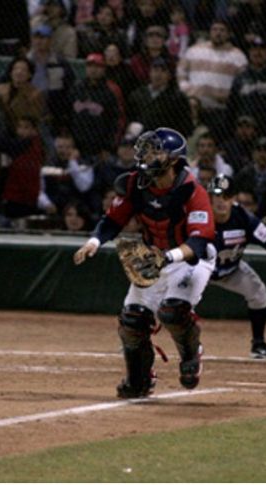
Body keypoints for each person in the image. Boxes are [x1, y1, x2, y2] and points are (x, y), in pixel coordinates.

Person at [74, 127, 216, 398]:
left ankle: (190, 355)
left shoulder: (191, 190)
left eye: (155, 151)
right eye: (146, 150)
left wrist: (168, 257)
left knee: (173, 312)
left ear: (173, 160)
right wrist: (93, 242)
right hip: (153, 257)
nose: (146, 156)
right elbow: (113, 220)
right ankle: (139, 380)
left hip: (188, 259)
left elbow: (200, 241)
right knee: (132, 321)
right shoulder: (134, 183)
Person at [205, 174, 266, 359]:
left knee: (258, 293)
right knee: (175, 299)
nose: (222, 201)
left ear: (234, 199)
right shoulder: (199, 216)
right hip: (199, 271)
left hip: (231, 270)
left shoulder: (244, 218)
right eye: (217, 196)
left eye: (227, 196)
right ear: (209, 198)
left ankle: (259, 344)